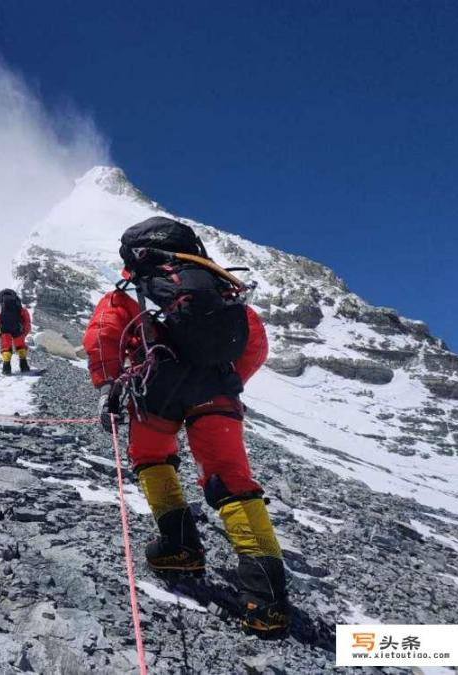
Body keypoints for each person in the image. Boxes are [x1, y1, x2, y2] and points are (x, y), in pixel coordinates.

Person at [82, 216, 289, 638]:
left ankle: (180, 548)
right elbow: (254, 342)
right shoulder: (218, 289)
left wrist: (108, 387)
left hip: (154, 394)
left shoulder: (130, 294)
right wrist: (227, 385)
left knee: (151, 458)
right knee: (231, 480)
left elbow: (103, 336)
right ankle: (267, 601)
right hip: (215, 392)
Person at [0, 288, 31, 375]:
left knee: (6, 347)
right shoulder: (18, 304)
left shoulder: (0, 306)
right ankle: (24, 366)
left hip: (4, 329)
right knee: (20, 346)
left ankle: (6, 369)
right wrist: (24, 332)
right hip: (17, 327)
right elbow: (26, 319)